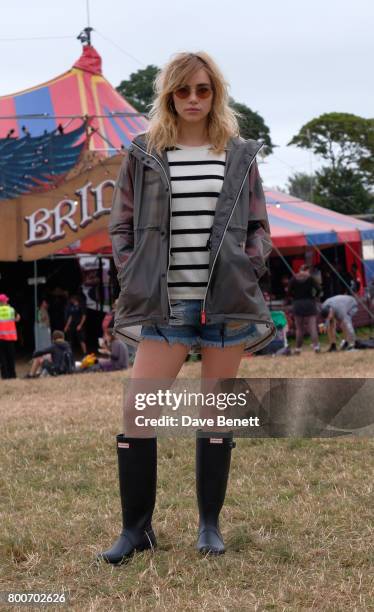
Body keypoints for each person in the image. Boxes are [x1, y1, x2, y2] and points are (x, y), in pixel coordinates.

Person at [97, 51, 275, 565]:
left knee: (214, 412)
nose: (193, 99)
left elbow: (260, 227)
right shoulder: (145, 152)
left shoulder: (239, 154)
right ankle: (136, 530)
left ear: (215, 93)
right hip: (164, 304)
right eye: (183, 91)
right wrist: (133, 272)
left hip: (227, 303)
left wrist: (247, 264)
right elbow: (122, 227)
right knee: (138, 412)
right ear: (169, 96)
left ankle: (209, 526)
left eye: (202, 89)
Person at [288, 264, 321, 354]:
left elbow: (289, 291)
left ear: (300, 269)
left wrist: (294, 297)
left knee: (299, 329)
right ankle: (316, 347)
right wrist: (315, 297)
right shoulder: (310, 278)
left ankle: (298, 349)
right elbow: (319, 289)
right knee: (312, 327)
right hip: (309, 303)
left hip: (297, 304)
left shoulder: (293, 278)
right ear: (307, 270)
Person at [0, 294, 20, 379]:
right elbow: (18, 318)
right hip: (10, 337)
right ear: (4, 301)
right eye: (6, 300)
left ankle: (5, 375)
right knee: (10, 357)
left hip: (0, 338)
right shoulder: (11, 310)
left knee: (2, 358)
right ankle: (12, 375)